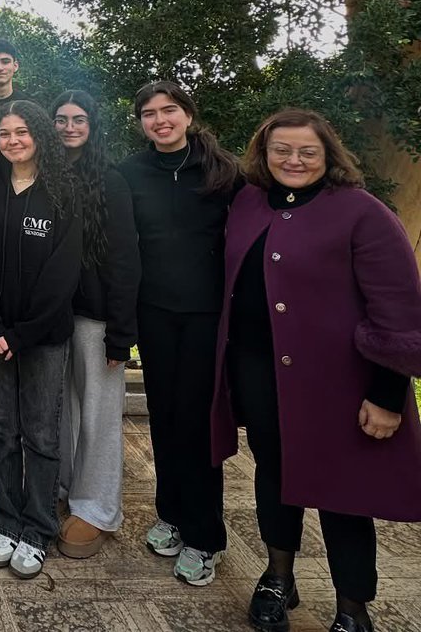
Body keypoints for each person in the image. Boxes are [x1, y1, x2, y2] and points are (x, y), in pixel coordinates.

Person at [212, 109, 421, 632]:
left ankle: (353, 607)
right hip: (260, 373)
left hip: (339, 384)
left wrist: (388, 393)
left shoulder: (361, 212)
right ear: (263, 153)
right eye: (281, 149)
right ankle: (279, 578)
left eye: (307, 151)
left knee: (343, 491)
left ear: (328, 155)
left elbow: (397, 310)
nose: (294, 160)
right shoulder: (248, 203)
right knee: (275, 475)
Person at [119, 80, 241, 587]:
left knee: (197, 422)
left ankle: (204, 535)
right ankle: (170, 515)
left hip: (206, 316)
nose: (159, 120)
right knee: (164, 419)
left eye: (169, 110)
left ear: (188, 115)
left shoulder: (225, 173)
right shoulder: (130, 172)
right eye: (149, 113)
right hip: (154, 313)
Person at [0, 100, 83, 579]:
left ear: (40, 137)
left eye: (22, 132)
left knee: (41, 434)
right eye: (5, 134)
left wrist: (22, 333)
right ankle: (6, 522)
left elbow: (62, 275)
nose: (13, 141)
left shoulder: (64, 192)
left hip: (42, 338)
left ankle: (38, 527)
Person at [52, 90, 141, 559]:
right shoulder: (45, 176)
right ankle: (67, 488)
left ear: (92, 125)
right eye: (61, 119)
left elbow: (126, 260)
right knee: (62, 411)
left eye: (78, 120)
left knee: (99, 417)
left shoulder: (110, 181)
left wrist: (122, 332)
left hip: (97, 319)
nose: (69, 127)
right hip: (53, 318)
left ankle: (98, 506)